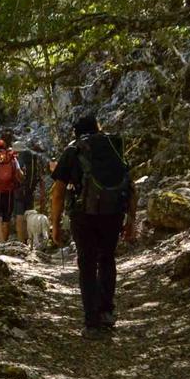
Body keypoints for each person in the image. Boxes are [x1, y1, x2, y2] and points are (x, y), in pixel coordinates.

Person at [50, 114, 137, 338]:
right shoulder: (113, 145)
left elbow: (58, 193)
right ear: (98, 128)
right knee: (107, 258)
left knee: (87, 265)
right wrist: (131, 220)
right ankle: (107, 312)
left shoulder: (73, 150)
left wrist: (55, 225)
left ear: (76, 132)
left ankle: (92, 324)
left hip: (84, 215)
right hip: (114, 212)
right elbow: (130, 185)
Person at [14, 140, 46, 242]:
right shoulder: (35, 157)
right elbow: (41, 176)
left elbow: (17, 172)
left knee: (19, 217)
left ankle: (21, 242)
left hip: (20, 190)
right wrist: (42, 193)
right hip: (32, 190)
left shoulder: (21, 157)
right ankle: (32, 241)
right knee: (31, 216)